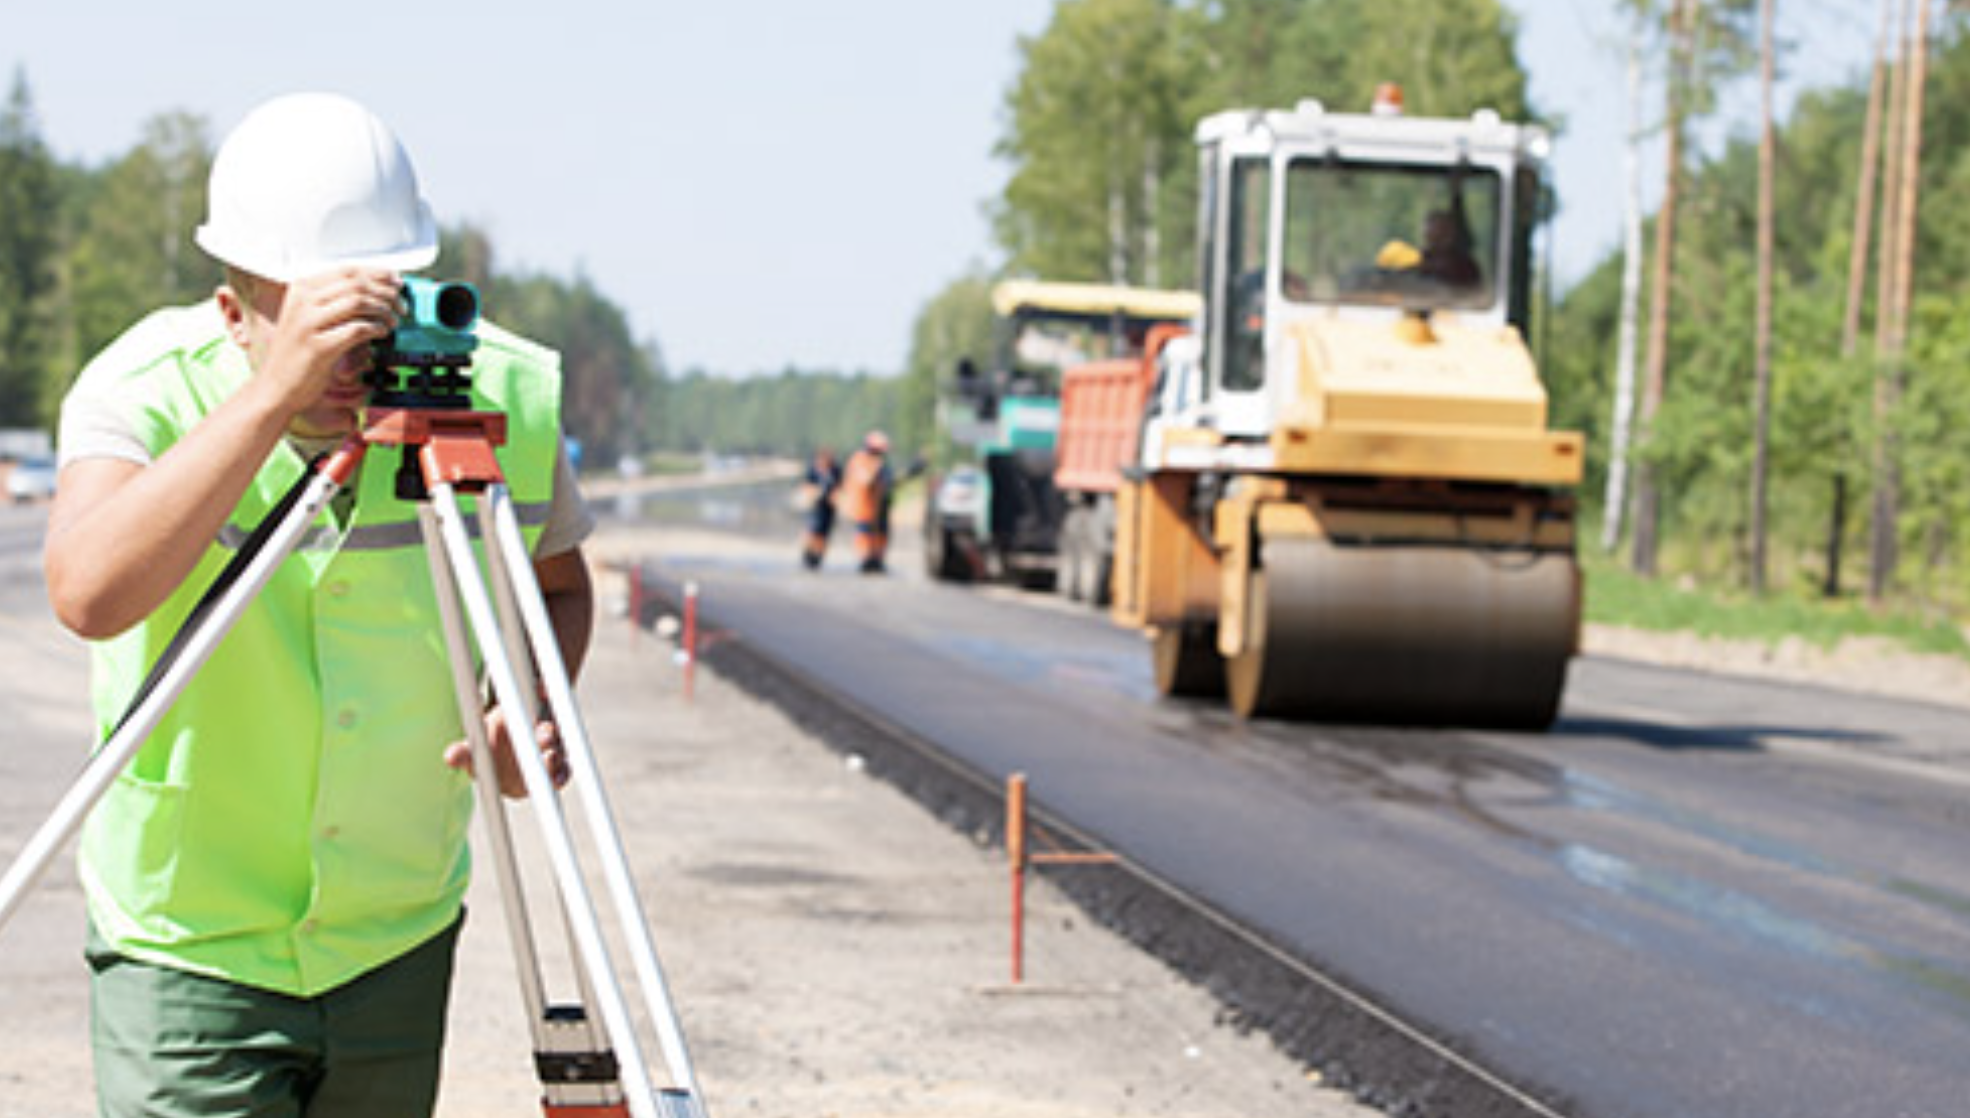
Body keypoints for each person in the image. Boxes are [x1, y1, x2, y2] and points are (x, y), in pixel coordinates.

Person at [42, 92, 594, 1118]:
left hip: (392, 923)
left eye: (367, 310)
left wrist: (528, 700)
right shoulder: (143, 389)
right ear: (231, 309)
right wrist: (267, 399)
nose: (346, 361)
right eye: (305, 317)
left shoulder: (500, 396)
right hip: (190, 936)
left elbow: (557, 584)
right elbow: (88, 591)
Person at [835, 430, 894, 574]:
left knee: (880, 533)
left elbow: (886, 482)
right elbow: (865, 481)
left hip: (876, 506)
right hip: (863, 505)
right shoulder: (861, 460)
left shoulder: (876, 462)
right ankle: (867, 559)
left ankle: (876, 559)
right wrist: (876, 471)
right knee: (865, 534)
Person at [798, 446, 840, 570]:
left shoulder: (835, 470)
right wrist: (814, 493)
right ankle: (808, 554)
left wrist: (836, 497)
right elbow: (806, 486)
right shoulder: (813, 470)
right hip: (815, 507)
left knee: (824, 534)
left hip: (829, 507)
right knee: (812, 531)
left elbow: (840, 486)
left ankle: (818, 556)